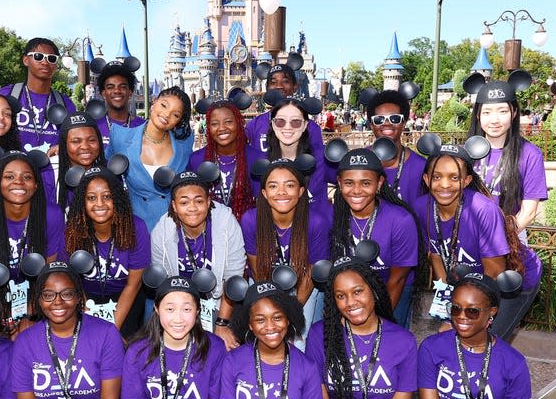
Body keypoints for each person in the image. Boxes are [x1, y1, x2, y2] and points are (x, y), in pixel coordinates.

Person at [304, 255, 418, 399]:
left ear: (373, 290)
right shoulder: (320, 335)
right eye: (340, 296)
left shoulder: (403, 340)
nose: (350, 302)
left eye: (358, 291)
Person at [11, 261, 125, 399]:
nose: (58, 302)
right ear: (38, 300)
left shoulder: (105, 334)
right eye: (48, 295)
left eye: (67, 293)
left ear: (80, 297)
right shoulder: (25, 341)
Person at [418, 273, 531, 399]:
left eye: (472, 311)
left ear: (492, 312)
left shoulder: (513, 363)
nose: (461, 317)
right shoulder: (432, 348)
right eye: (455, 309)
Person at [0, 151, 65, 334]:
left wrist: (29, 314)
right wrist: (6, 314)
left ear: (36, 185)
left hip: (36, 296)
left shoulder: (51, 215)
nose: (18, 182)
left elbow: (48, 272)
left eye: (27, 177)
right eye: (9, 176)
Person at [329, 148, 427, 327]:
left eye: (366, 183)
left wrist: (378, 318)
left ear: (379, 182)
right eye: (349, 183)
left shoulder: (401, 220)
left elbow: (398, 279)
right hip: (347, 290)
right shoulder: (332, 217)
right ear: (339, 183)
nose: (356, 190)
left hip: (391, 287)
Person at [414, 146, 511, 321]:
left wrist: (464, 310)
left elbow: (495, 271)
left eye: (454, 177)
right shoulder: (421, 207)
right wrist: (446, 299)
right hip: (463, 285)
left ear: (466, 181)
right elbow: (435, 253)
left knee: (482, 339)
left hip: (504, 284)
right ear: (427, 180)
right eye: (437, 177)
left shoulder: (483, 210)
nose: (444, 184)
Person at [241, 161, 331, 346]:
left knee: (296, 343)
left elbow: (311, 274)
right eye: (273, 186)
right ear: (264, 193)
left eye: (289, 185)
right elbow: (257, 271)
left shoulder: (316, 222)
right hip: (264, 284)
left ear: (301, 191)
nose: (281, 192)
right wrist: (272, 310)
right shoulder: (251, 219)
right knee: (265, 338)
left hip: (302, 287)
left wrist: (291, 312)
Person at [151, 171, 246, 348]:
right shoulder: (162, 231)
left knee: (223, 347)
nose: (192, 208)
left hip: (220, 301)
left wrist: (222, 324)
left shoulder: (226, 222)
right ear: (174, 205)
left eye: (199, 201)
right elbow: (164, 285)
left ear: (208, 202)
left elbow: (233, 279)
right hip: (180, 304)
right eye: (184, 202)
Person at [65, 167, 149, 337]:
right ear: (82, 202)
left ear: (117, 199)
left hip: (126, 297)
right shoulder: (72, 230)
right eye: (91, 198)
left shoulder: (135, 228)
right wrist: (88, 320)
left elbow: (133, 285)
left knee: (121, 344)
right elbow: (72, 282)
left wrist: (111, 331)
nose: (100, 204)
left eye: (107, 196)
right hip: (86, 297)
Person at [106, 86, 194, 232]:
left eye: (176, 115)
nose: (166, 114)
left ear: (178, 121)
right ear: (154, 103)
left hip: (174, 228)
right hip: (137, 229)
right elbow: (103, 172)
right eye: (164, 105)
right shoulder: (120, 137)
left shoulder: (185, 143)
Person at [466, 78, 548, 231]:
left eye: (503, 111)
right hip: (467, 235)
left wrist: (499, 241)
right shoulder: (465, 152)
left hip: (510, 237)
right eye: (487, 112)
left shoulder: (530, 154)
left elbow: (528, 212)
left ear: (514, 112)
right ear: (478, 115)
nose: (494, 120)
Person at [0, 37, 77, 156]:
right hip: (12, 170)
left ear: (55, 65)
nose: (45, 62)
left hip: (51, 172)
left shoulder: (66, 104)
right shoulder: (6, 95)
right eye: (38, 56)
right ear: (25, 60)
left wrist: (65, 147)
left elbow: (75, 138)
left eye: (51, 58)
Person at [187, 100, 263, 221]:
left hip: (246, 232)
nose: (222, 128)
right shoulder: (196, 159)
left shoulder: (258, 158)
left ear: (238, 123)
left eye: (228, 122)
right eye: (214, 124)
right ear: (208, 128)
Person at [266, 98, 330, 214]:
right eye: (281, 121)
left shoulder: (323, 158)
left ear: (305, 125)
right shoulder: (263, 162)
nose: (288, 127)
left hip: (316, 230)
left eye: (296, 122)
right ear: (273, 124)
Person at [244, 64, 324, 156]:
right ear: (267, 88)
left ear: (295, 87)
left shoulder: (311, 128)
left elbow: (318, 162)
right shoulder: (254, 125)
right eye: (273, 82)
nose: (279, 86)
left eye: (285, 81)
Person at [365, 89, 427, 207]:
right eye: (379, 119)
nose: (387, 123)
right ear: (372, 125)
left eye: (395, 118)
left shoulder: (421, 166)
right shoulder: (359, 160)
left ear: (404, 123)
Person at [55, 111, 105, 213]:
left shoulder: (109, 172)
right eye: (76, 141)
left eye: (92, 140)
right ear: (64, 145)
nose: (85, 147)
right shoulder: (50, 175)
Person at [95, 61, 145, 147]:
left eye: (122, 87)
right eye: (110, 87)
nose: (117, 91)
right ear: (103, 94)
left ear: (130, 92)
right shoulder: (94, 127)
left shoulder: (144, 127)